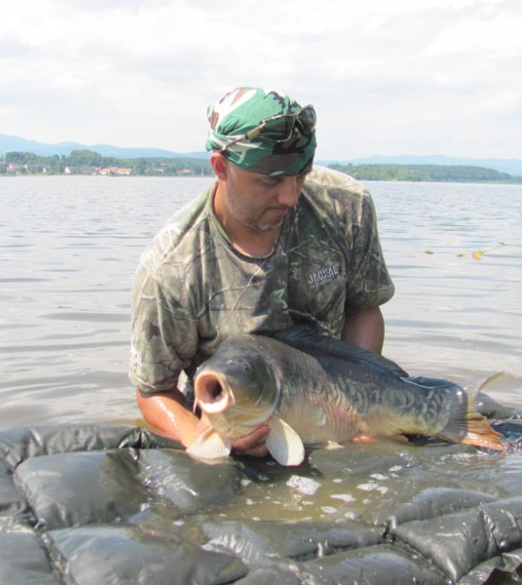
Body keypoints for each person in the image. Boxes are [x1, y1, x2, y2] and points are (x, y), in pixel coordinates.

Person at [129, 87, 394, 457]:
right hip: (235, 418)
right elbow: (154, 390)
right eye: (270, 181)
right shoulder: (174, 266)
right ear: (221, 168)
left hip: (336, 400)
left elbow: (364, 308)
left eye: (301, 175)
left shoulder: (346, 205)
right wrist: (205, 440)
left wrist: (355, 404)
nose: (291, 196)